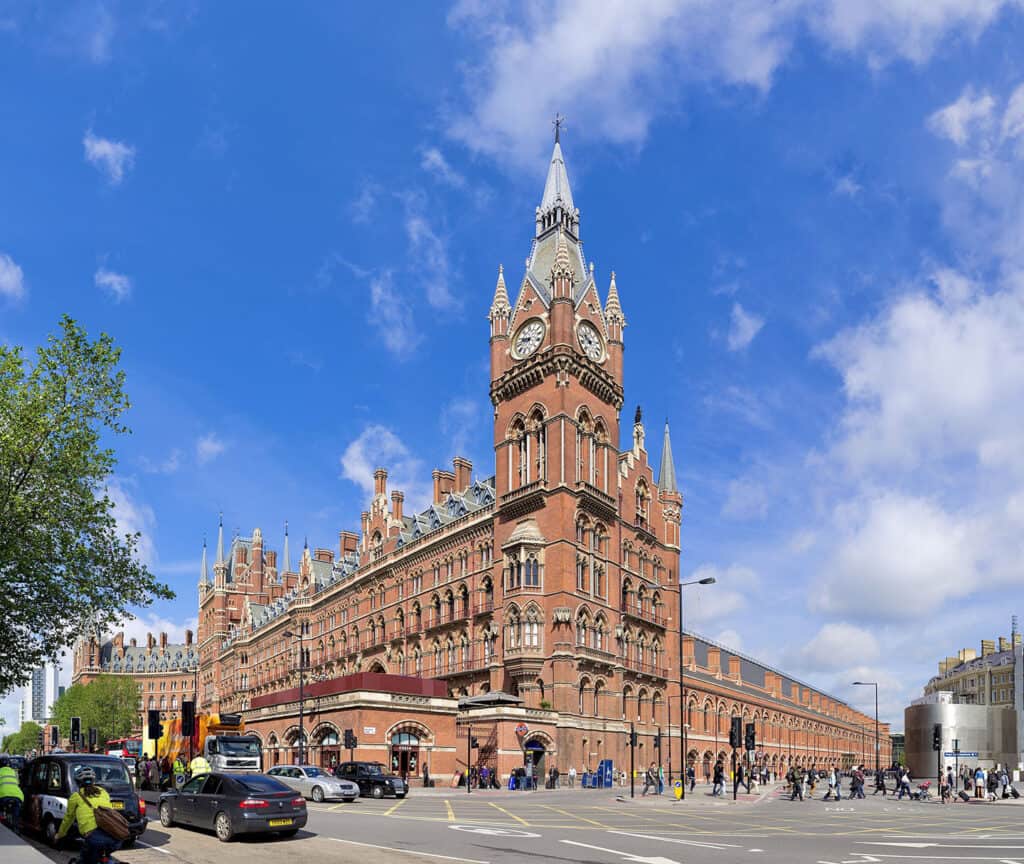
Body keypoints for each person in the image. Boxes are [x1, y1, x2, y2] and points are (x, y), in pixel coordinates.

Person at [55, 766, 121, 864]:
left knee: (84, 860)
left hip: (94, 838)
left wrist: (60, 835)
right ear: (94, 780)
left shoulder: (76, 796)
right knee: (105, 856)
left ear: (77, 782)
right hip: (116, 838)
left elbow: (69, 818)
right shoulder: (103, 792)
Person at [0, 756, 24, 833]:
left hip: (3, 795)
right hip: (18, 795)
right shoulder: (14, 772)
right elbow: (18, 783)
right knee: (16, 812)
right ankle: (16, 828)